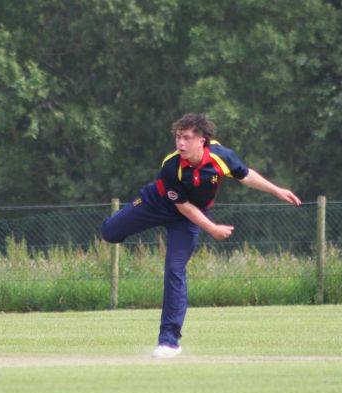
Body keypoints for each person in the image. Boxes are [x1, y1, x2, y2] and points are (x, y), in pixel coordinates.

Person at [101, 113, 301, 358]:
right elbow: (182, 205)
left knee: (175, 269)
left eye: (187, 138)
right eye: (178, 137)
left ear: (202, 140)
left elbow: (246, 175)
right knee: (109, 232)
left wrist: (277, 190)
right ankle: (122, 229)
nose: (181, 143)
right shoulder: (171, 165)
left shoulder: (221, 157)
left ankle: (169, 342)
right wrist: (212, 228)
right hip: (156, 203)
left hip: (187, 220)